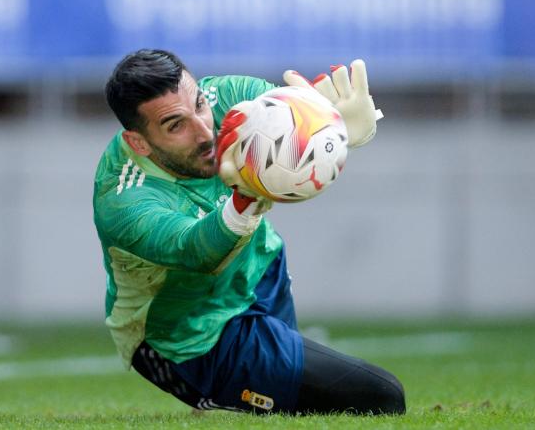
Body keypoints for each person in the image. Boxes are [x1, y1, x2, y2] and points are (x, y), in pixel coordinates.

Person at [93, 48, 405, 415]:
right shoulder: (124, 198)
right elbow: (196, 250)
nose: (204, 130)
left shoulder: (224, 98)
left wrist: (335, 125)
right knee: (382, 396)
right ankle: (218, 395)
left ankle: (241, 400)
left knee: (293, 409)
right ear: (139, 142)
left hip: (259, 272)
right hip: (193, 336)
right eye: (176, 125)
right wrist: (245, 196)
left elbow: (291, 121)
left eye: (198, 104)